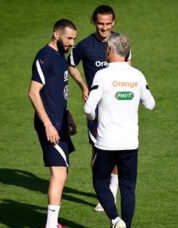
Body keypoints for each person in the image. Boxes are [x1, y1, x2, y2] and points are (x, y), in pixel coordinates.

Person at [84, 33, 155, 228]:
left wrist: (93, 118)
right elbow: (150, 104)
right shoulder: (138, 75)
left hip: (106, 143)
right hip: (130, 143)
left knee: (99, 182)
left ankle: (116, 221)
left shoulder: (102, 75)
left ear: (110, 51)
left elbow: (89, 108)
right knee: (128, 188)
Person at [68, 5, 132, 212]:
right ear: (94, 22)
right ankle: (104, 189)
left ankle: (111, 191)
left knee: (117, 148)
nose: (104, 28)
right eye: (100, 23)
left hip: (118, 107)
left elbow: (128, 68)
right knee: (98, 151)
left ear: (113, 22)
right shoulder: (85, 45)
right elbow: (70, 65)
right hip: (96, 108)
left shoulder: (121, 42)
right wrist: (84, 86)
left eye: (108, 24)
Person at [28, 19, 79, 228]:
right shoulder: (45, 57)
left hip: (60, 124)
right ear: (56, 35)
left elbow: (58, 91)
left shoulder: (60, 56)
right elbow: (33, 93)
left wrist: (67, 114)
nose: (72, 43)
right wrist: (48, 125)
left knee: (63, 173)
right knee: (58, 174)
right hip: (50, 127)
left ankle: (54, 223)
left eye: (74, 39)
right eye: (69, 38)